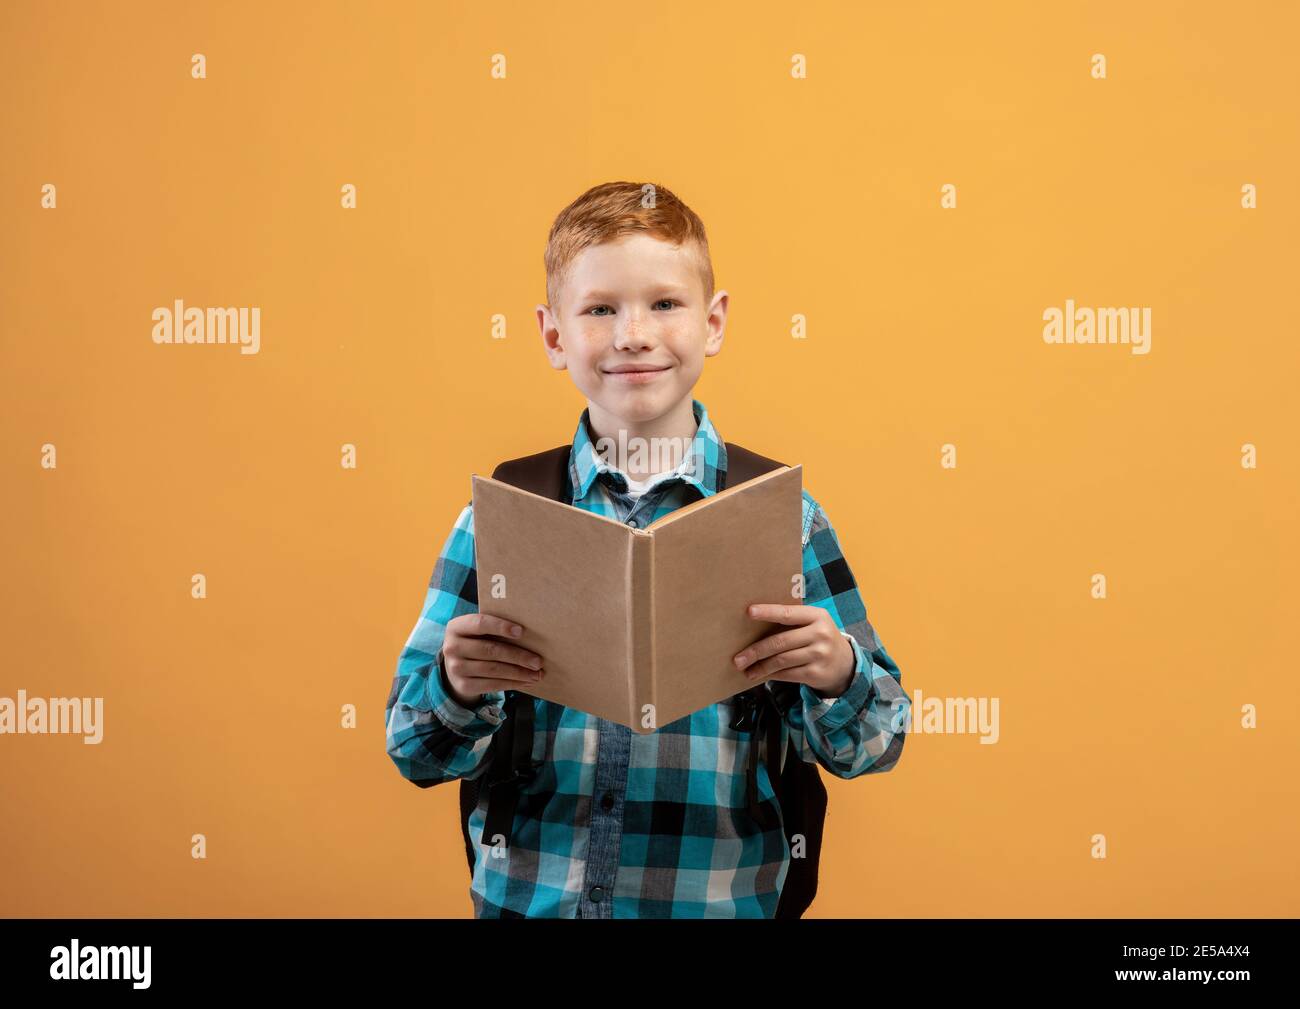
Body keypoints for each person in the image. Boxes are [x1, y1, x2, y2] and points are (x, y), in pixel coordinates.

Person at [384, 180, 910, 918]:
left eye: (665, 303)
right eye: (600, 308)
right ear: (553, 335)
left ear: (714, 321)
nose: (633, 333)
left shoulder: (784, 519)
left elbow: (878, 741)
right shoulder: (504, 515)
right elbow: (412, 747)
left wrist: (835, 672)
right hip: (528, 905)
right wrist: (457, 683)